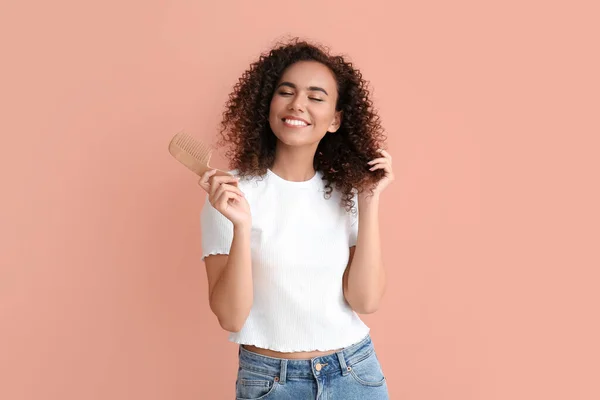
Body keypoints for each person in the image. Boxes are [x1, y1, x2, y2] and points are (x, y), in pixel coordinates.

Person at [198, 38, 394, 399]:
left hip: (354, 374)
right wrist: (241, 226)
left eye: (316, 97)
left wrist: (369, 202)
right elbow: (231, 317)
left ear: (335, 120)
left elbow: (365, 301)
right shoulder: (230, 195)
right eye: (286, 92)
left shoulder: (347, 194)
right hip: (270, 382)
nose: (298, 105)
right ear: (268, 105)